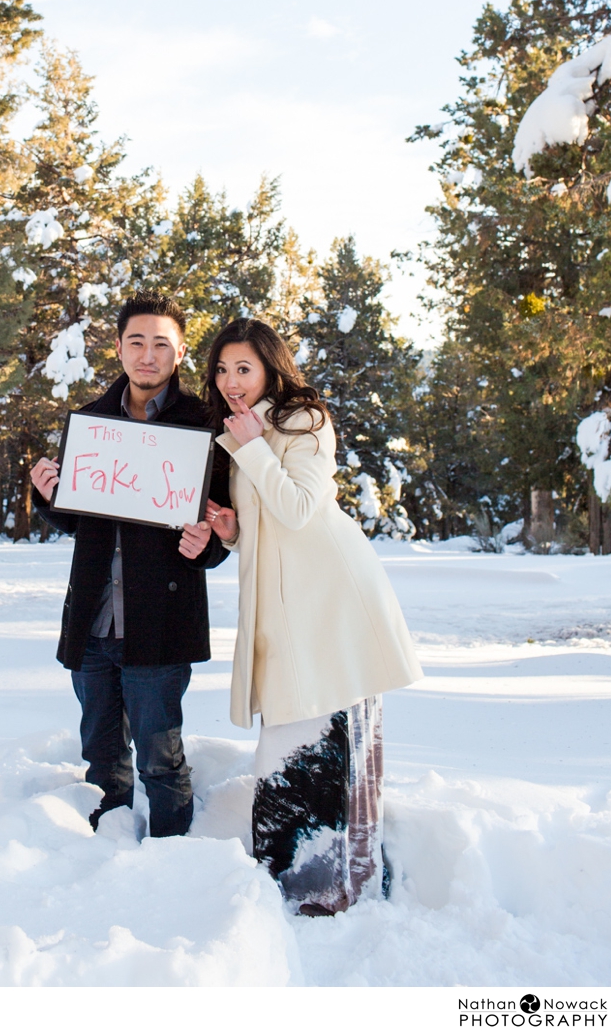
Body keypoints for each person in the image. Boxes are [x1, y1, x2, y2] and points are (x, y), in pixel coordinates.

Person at [201, 317, 423, 915]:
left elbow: (299, 509)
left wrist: (250, 447)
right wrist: (235, 530)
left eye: (243, 368)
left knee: (331, 732)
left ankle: (344, 882)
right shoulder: (245, 430)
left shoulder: (305, 421)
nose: (230, 381)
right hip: (285, 605)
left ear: (272, 367)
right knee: (289, 738)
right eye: (222, 369)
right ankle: (294, 881)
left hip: (330, 600)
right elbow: (271, 524)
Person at [31, 291, 231, 838]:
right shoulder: (92, 423)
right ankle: (106, 856)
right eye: (137, 341)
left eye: (161, 344)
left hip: (159, 623)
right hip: (93, 622)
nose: (148, 354)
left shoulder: (206, 426)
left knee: (161, 762)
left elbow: (220, 525)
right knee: (101, 758)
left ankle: (171, 862)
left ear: (180, 352)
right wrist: (50, 497)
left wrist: (207, 545)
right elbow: (81, 522)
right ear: (118, 348)